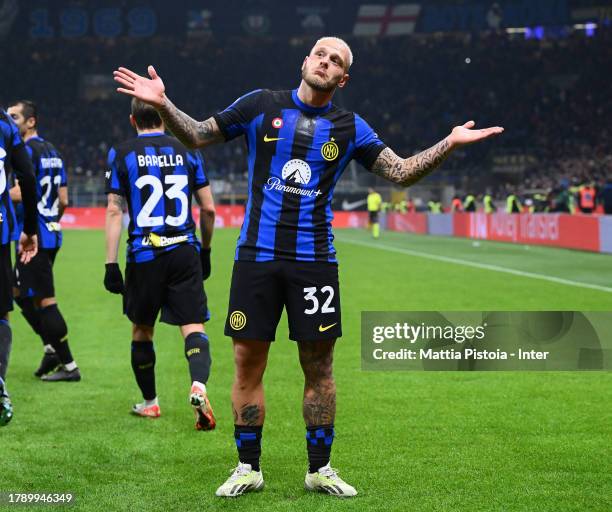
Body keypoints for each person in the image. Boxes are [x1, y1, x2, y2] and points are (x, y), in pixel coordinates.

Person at [113, 36, 503, 498]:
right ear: (305, 61)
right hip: (256, 257)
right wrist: (165, 104)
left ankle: (320, 468)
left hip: (315, 262)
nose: (326, 61)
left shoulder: (350, 127)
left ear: (343, 78)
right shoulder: (260, 105)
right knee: (246, 363)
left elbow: (400, 172)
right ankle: (247, 467)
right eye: (320, 54)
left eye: (336, 60)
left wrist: (450, 142)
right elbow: (198, 134)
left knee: (319, 367)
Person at [103, 99, 216, 429]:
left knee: (142, 329)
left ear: (132, 119)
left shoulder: (121, 153)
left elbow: (113, 210)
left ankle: (151, 403)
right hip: (184, 251)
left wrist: (111, 265)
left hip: (144, 254)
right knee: (193, 325)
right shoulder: (189, 150)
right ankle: (198, 385)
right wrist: (205, 252)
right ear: (165, 117)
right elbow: (208, 209)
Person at [7, 100, 80, 382]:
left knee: (45, 300)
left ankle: (69, 365)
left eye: (15, 117)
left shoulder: (24, 150)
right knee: (18, 292)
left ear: (31, 121)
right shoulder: (54, 152)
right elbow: (63, 199)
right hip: (51, 230)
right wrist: (51, 218)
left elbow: (19, 192)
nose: (10, 121)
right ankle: (51, 347)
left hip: (33, 236)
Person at [0, 108, 38, 426]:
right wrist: (30, 228)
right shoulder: (5, 127)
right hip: (0, 230)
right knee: (1, 311)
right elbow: (26, 176)